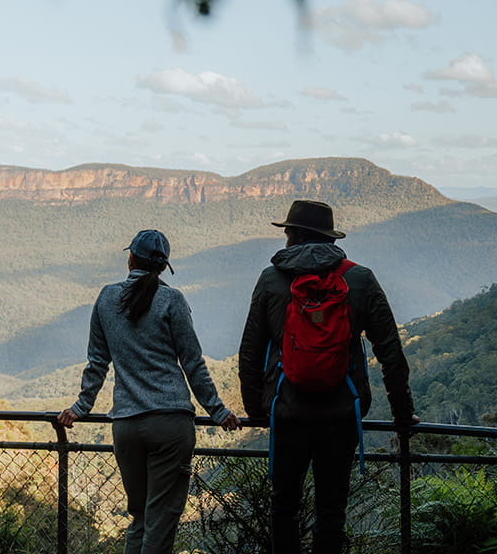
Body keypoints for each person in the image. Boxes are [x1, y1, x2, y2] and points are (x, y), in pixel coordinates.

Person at [238, 200, 418, 554]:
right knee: (331, 510)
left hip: (287, 411)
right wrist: (402, 413)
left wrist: (257, 410)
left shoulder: (272, 279)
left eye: (288, 230)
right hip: (341, 413)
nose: (286, 235)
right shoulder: (359, 279)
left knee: (284, 505)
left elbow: (251, 349)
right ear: (328, 237)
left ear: (295, 235)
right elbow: (391, 353)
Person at [57, 229, 242, 554]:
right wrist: (217, 410)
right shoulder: (171, 299)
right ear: (163, 267)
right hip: (169, 424)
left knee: (140, 518)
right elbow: (192, 363)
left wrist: (81, 407)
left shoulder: (106, 297)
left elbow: (97, 361)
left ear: (130, 258)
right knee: (161, 519)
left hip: (125, 426)